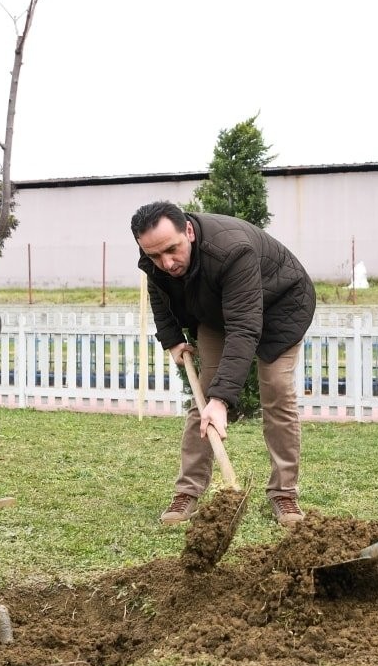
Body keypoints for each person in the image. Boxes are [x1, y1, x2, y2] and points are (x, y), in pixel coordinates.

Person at [131, 201, 316, 527]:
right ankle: (188, 490)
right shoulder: (158, 261)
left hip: (281, 307)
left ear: (188, 230)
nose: (167, 262)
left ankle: (284, 494)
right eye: (155, 256)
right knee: (202, 395)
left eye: (172, 250)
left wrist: (221, 401)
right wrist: (172, 338)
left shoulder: (231, 250)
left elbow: (245, 328)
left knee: (276, 390)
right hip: (219, 310)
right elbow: (159, 293)